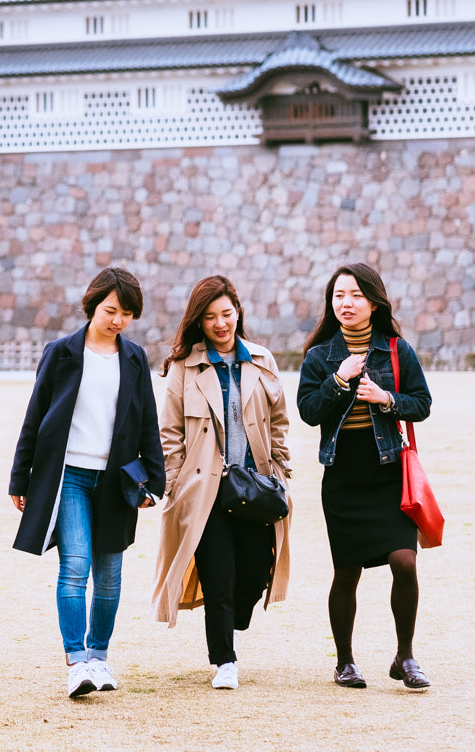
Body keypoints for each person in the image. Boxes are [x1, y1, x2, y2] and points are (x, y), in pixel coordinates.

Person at [9, 266, 165, 699]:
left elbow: (148, 422)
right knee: (75, 566)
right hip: (69, 477)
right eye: (111, 310)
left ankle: (100, 656)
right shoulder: (60, 352)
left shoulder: (134, 358)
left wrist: (155, 481)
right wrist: (19, 477)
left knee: (110, 576)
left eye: (127, 313)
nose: (118, 320)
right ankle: (77, 661)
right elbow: (35, 416)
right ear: (93, 304)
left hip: (117, 481)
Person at [150, 276, 292, 690]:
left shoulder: (262, 361)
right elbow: (169, 432)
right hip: (204, 491)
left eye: (226, 314)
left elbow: (280, 421)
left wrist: (280, 471)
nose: (220, 324)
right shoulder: (184, 367)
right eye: (210, 317)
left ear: (238, 313)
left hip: (255, 487)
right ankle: (224, 659)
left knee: (251, 571)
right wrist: (176, 483)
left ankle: (236, 618)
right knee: (218, 574)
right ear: (199, 321)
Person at [297, 263, 434, 691]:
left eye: (355, 295)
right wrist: (338, 381)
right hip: (343, 476)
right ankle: (345, 662)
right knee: (346, 571)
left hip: (388, 471)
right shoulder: (319, 357)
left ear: (374, 302)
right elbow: (308, 411)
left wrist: (387, 399)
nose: (346, 303)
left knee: (405, 561)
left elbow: (422, 403)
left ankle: (405, 657)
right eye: (339, 295)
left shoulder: (397, 350)